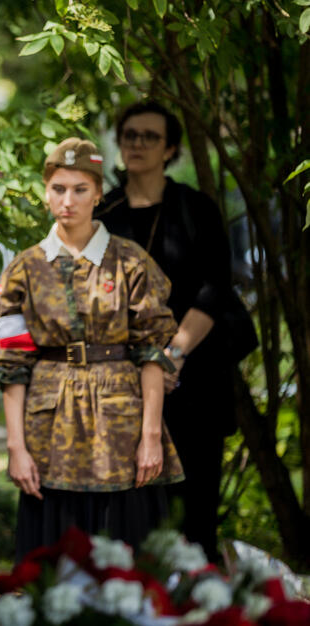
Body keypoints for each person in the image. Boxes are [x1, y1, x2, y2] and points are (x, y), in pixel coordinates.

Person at [0, 137, 184, 560]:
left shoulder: (130, 261)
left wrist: (150, 436)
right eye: (58, 188)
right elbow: (12, 363)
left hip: (121, 425)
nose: (68, 201)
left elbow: (151, 352)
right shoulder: (24, 268)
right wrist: (16, 449)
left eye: (80, 189)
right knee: (52, 557)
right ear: (45, 192)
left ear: (98, 193)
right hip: (49, 428)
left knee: (127, 549)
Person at [96, 101, 247, 561]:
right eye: (130, 135)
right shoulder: (104, 212)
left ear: (171, 149)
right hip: (124, 382)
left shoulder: (194, 208)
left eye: (149, 137)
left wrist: (172, 355)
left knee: (195, 513)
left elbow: (215, 287)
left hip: (194, 374)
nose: (137, 144)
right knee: (132, 517)